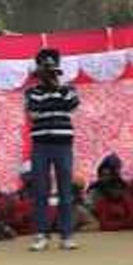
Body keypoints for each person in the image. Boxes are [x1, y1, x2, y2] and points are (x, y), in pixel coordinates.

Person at [25, 48, 80, 252]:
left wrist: (57, 87)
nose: (47, 75)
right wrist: (49, 92)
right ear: (38, 72)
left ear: (57, 70)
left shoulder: (69, 89)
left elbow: (72, 106)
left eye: (51, 70)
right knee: (41, 190)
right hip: (40, 145)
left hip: (63, 144)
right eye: (44, 70)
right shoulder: (32, 92)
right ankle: (41, 234)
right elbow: (34, 112)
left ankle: (66, 236)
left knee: (65, 191)